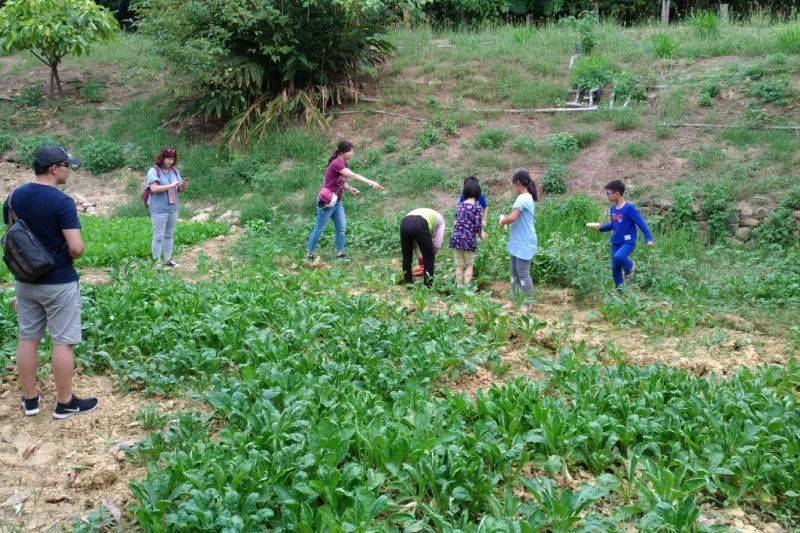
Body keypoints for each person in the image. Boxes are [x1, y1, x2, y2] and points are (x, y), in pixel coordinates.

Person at [2, 145, 98, 419]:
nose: (69, 170)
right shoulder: (61, 202)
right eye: (67, 166)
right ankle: (65, 402)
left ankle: (30, 400)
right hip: (58, 282)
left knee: (28, 339)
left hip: (25, 281)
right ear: (55, 168)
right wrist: (61, 255)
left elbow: (16, 241)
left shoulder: (12, 199)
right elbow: (77, 248)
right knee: (62, 342)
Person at [306, 140, 384, 262]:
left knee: (341, 228)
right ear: (342, 152)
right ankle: (309, 254)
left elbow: (341, 180)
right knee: (319, 229)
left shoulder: (344, 164)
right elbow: (353, 175)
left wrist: (349, 188)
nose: (352, 153)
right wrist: (371, 182)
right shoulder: (336, 163)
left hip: (338, 202)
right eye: (350, 151)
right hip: (327, 202)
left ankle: (340, 253)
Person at [587, 179, 653, 290]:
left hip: (628, 242)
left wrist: (649, 238)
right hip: (615, 242)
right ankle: (621, 294)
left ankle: (630, 267)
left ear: (617, 194)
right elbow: (614, 225)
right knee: (615, 269)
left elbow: (641, 223)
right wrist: (600, 228)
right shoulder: (613, 209)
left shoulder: (628, 208)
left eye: (608, 193)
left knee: (619, 256)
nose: (607, 196)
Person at [499, 170, 538, 303]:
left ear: (518, 183)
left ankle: (527, 304)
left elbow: (513, 217)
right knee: (515, 273)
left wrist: (503, 221)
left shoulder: (523, 198)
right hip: (517, 241)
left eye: (513, 185)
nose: (514, 188)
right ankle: (514, 300)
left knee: (523, 273)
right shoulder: (527, 197)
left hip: (524, 242)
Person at [146, 147, 187, 268]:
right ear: (162, 158)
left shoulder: (174, 171)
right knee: (158, 235)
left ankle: (168, 259)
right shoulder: (153, 171)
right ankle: (156, 262)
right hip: (159, 208)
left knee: (169, 234)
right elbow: (154, 188)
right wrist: (171, 185)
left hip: (172, 207)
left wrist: (182, 186)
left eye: (172, 159)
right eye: (168, 158)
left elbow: (178, 189)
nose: (170, 161)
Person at [449, 178, 487, 287]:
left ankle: (459, 287)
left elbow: (456, 221)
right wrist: (481, 234)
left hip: (456, 239)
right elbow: (477, 225)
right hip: (468, 240)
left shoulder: (460, 205)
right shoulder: (477, 207)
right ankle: (466, 289)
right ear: (478, 194)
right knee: (469, 265)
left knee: (459, 265)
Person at [400, 208, 445, 287]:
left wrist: (420, 259)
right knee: (429, 257)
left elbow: (414, 245)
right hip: (420, 223)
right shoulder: (440, 221)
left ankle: (408, 282)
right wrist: (432, 253)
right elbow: (437, 244)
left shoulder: (428, 214)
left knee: (406, 256)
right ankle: (428, 285)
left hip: (404, 222)